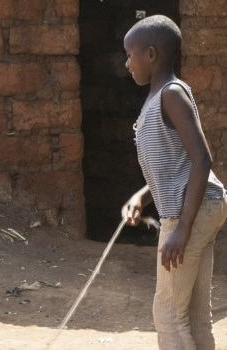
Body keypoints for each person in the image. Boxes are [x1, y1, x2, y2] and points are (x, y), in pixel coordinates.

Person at [121, 15, 227, 350]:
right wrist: (142, 196)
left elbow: (202, 159)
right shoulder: (156, 100)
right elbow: (174, 169)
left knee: (167, 315)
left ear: (150, 54)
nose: (126, 63)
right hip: (203, 205)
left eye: (130, 54)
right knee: (194, 318)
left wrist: (181, 228)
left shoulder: (171, 94)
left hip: (191, 211)